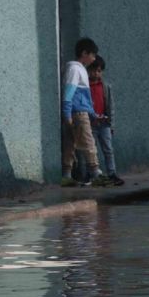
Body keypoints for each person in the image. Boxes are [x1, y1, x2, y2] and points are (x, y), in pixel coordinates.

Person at [61, 38, 111, 187]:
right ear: (84, 53)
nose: (94, 58)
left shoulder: (79, 69)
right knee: (89, 143)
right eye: (93, 55)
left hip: (78, 112)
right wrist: (67, 114)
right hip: (78, 113)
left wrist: (93, 114)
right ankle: (96, 174)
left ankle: (66, 175)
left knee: (70, 144)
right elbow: (69, 93)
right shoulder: (75, 69)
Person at [86, 55, 125, 186]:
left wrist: (111, 124)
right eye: (93, 70)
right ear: (88, 70)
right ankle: (92, 174)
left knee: (108, 149)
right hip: (90, 123)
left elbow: (111, 106)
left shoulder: (105, 86)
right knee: (92, 149)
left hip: (104, 123)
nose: (96, 73)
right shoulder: (85, 85)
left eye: (99, 71)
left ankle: (112, 173)